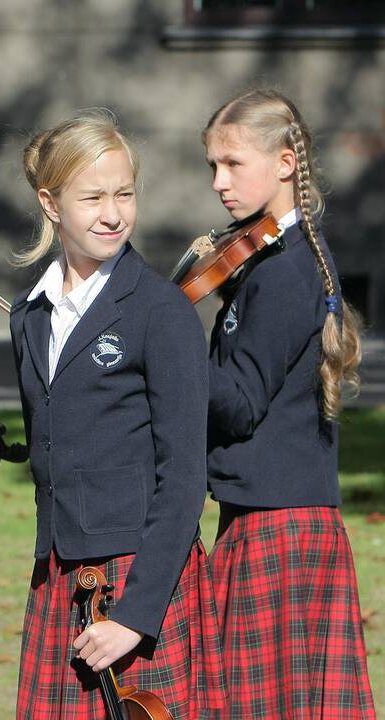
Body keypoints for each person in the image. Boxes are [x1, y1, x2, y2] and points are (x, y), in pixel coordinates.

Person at [9, 110, 226, 719]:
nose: (112, 212)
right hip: (59, 571)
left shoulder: (161, 311)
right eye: (93, 197)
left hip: (140, 577)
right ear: (51, 204)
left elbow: (185, 475)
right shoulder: (28, 315)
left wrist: (135, 615)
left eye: (124, 193)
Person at [202, 88, 375, 718]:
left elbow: (240, 402)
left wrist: (170, 352)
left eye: (232, 164)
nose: (219, 182)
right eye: (212, 167)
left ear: (284, 163)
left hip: (279, 528)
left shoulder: (282, 271)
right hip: (271, 513)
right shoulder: (272, 258)